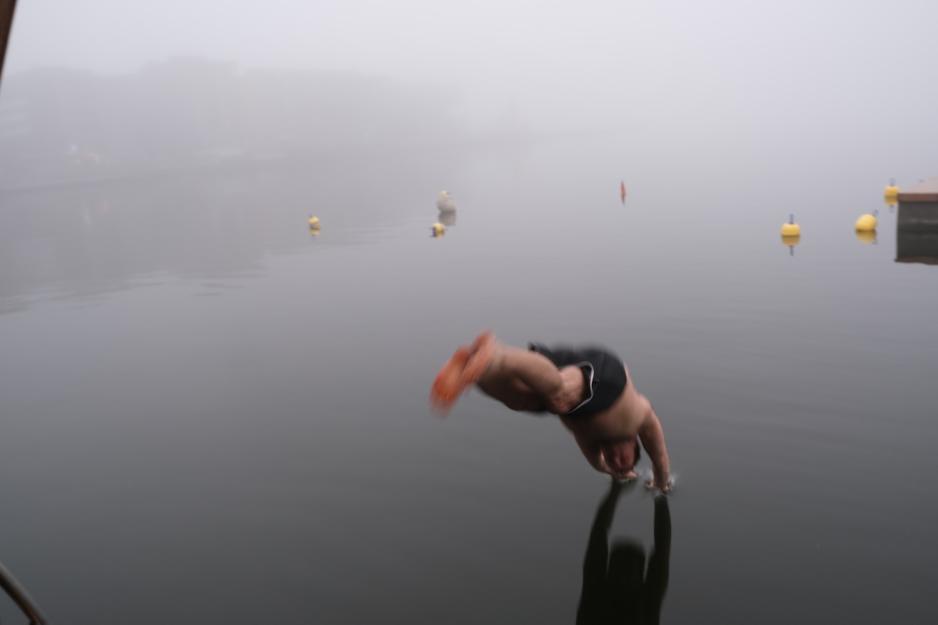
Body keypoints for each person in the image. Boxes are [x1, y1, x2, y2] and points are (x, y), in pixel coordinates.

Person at [430, 331, 672, 491]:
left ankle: (478, 371)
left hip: (550, 372)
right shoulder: (639, 417)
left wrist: (614, 472)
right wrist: (661, 483)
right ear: (634, 444)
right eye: (625, 459)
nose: (617, 460)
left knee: (520, 399)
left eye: (615, 462)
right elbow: (659, 453)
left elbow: (599, 464)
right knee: (561, 397)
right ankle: (498, 354)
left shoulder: (591, 442)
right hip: (607, 374)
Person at [576, 479, 671, 625]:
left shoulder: (595, 599)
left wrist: (615, 490)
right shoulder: (645, 607)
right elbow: (662, 553)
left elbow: (597, 538)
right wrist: (659, 495)